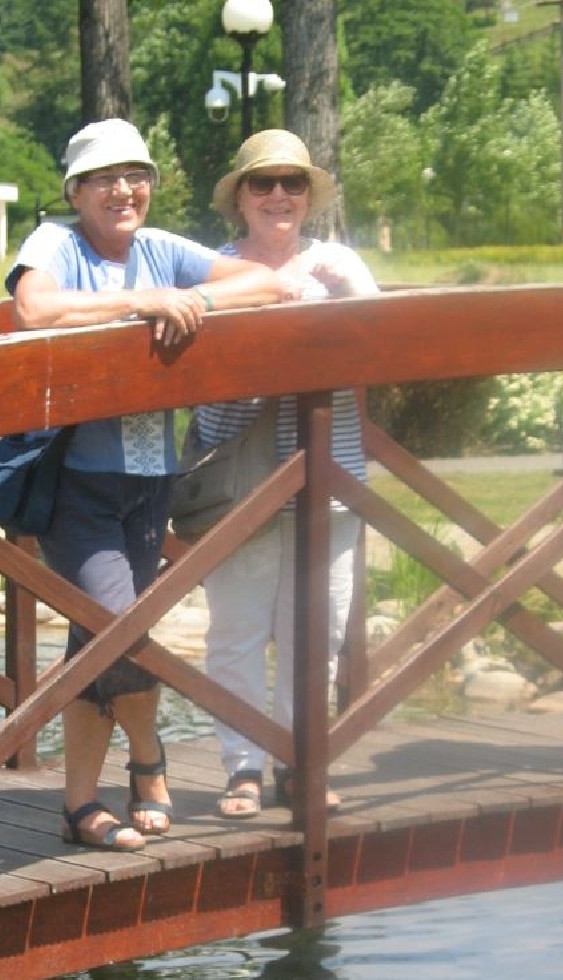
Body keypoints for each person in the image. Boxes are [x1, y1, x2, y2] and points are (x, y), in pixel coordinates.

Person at [8, 118, 299, 851]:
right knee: (118, 632)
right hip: (75, 481)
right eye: (105, 179)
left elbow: (268, 282)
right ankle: (149, 760)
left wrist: (194, 302)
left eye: (136, 176)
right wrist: (142, 304)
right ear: (75, 192)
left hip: (148, 483)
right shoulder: (55, 244)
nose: (124, 191)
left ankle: (79, 804)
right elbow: (35, 309)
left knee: (94, 643)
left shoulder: (161, 250)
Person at [190, 129, 379, 818]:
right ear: (240, 197)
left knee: (317, 633)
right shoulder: (213, 271)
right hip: (239, 484)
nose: (278, 195)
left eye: (292, 183)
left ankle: (303, 764)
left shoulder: (338, 266)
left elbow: (383, 352)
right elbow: (204, 404)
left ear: (308, 196)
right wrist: (269, 341)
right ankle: (242, 768)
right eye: (263, 183)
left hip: (332, 480)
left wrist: (345, 298)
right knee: (235, 632)